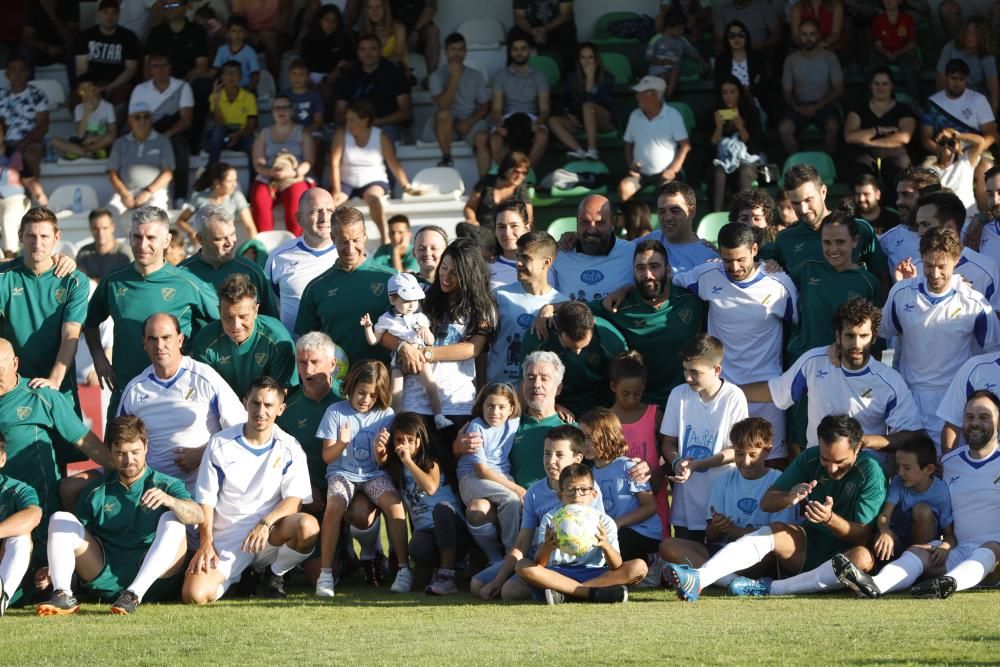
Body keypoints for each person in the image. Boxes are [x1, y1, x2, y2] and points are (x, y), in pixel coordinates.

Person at [665, 414, 886, 600]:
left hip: (846, 549)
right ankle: (699, 579)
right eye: (825, 459)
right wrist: (789, 497)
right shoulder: (809, 458)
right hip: (808, 543)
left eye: (840, 461)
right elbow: (767, 501)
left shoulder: (871, 471)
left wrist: (829, 519)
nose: (831, 467)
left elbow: (862, 535)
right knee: (777, 530)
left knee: (862, 559)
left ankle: (769, 589)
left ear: (857, 448)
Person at [835, 390, 1000, 600]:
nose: (975, 423)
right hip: (957, 549)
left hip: (995, 557)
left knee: (990, 548)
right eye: (969, 417)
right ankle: (874, 585)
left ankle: (951, 584)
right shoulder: (947, 463)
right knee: (916, 552)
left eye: (984, 417)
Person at [35, 416, 204, 616]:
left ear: (146, 447)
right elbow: (76, 541)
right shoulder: (96, 491)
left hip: (156, 582)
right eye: (121, 453)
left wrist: (170, 501)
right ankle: (63, 594)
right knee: (60, 519)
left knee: (173, 520)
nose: (129, 460)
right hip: (105, 576)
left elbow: (198, 516)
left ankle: (133, 594)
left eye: (135, 452)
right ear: (110, 453)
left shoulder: (166, 484)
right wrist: (54, 568)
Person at [183, 376, 320, 603]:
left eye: (268, 405)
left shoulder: (290, 447)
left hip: (268, 535)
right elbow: (205, 501)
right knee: (193, 595)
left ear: (281, 409)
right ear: (245, 402)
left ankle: (273, 575)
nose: (261, 411)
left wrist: (265, 523)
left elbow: (294, 500)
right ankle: (239, 577)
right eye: (255, 403)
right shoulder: (219, 442)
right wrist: (206, 543)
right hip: (228, 539)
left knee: (307, 526)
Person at [740, 297, 923, 460]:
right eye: (850, 336)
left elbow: (912, 435)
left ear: (874, 338)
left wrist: (864, 441)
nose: (857, 344)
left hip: (865, 472)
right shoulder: (814, 362)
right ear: (838, 336)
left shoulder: (889, 381)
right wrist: (727, 390)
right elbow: (775, 392)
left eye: (864, 336)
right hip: (817, 465)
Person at [673, 223, 796, 461]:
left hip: (767, 392)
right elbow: (670, 284)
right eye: (727, 260)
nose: (734, 267)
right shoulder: (706, 275)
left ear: (755, 249)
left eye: (740, 259)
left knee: (771, 463)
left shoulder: (780, 284)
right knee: (725, 463)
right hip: (723, 392)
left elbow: (799, 324)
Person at [84, 206, 220, 420]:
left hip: (176, 397)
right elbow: (90, 322)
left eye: (151, 238)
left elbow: (224, 324)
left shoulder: (188, 284)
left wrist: (202, 361)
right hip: (127, 393)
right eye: (137, 237)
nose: (142, 245)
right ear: (129, 237)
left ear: (166, 240)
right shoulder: (113, 280)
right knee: (116, 453)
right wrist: (99, 359)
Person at [881, 226, 1000, 452]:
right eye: (928, 265)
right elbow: (881, 332)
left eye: (941, 266)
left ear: (956, 260)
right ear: (921, 259)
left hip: (952, 403)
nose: (935, 274)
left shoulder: (974, 302)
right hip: (908, 399)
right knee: (907, 469)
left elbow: (992, 353)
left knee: (947, 468)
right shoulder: (901, 293)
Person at [0, 338, 114, 553]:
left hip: (35, 508)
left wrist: (119, 468)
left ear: (15, 363)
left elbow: (84, 440)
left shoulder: (41, 396)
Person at [390, 239, 497, 468]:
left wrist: (426, 354)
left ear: (469, 276)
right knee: (415, 469)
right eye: (444, 268)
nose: (445, 277)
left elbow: (472, 348)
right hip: (415, 400)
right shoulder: (423, 296)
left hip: (455, 401)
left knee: (451, 468)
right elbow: (386, 331)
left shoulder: (483, 307)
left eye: (455, 273)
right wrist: (403, 347)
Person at [659, 417, 797, 587]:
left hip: (758, 558)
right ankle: (733, 583)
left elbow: (778, 539)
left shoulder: (779, 480)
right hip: (722, 550)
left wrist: (733, 531)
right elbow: (710, 535)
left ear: (768, 451)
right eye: (739, 453)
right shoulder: (723, 480)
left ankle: (707, 576)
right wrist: (718, 526)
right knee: (668, 545)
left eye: (753, 454)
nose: (746, 461)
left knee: (765, 557)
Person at [117, 313, 246, 489]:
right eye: (153, 339)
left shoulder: (205, 377)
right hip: (152, 492)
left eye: (166, 338)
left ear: (180, 340)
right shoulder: (134, 389)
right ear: (144, 343)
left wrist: (204, 453)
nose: (159, 345)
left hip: (205, 490)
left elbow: (242, 430)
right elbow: (119, 443)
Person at [314, 360, 410, 596]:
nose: (366, 399)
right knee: (334, 506)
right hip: (341, 474)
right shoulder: (335, 412)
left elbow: (384, 461)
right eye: (361, 393)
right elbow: (327, 456)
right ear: (350, 387)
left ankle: (404, 570)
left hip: (373, 475)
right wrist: (342, 442)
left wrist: (381, 451)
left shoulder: (386, 415)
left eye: (372, 395)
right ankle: (325, 575)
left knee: (396, 506)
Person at [471, 424, 591, 601]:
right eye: (547, 453)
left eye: (559, 455)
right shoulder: (534, 492)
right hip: (537, 559)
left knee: (510, 591)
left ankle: (564, 591)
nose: (551, 461)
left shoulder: (588, 490)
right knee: (478, 584)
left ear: (577, 458)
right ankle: (555, 590)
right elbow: (521, 544)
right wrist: (497, 580)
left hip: (570, 562)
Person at [0, 209, 89, 422]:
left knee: (65, 454)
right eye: (31, 236)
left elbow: (71, 336)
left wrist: (54, 381)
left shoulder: (74, 280)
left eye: (44, 236)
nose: (37, 243)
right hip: (12, 390)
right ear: (21, 235)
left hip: (58, 388)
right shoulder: (4, 278)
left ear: (57, 237)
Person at [591, 240, 705, 406]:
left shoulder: (691, 300)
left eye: (654, 266)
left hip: (687, 401)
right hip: (641, 405)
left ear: (667, 270)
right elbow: (580, 311)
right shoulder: (620, 305)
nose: (648, 274)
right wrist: (550, 308)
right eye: (641, 268)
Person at [517, 461, 648, 605]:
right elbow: (540, 562)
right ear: (560, 496)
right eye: (570, 490)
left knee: (639, 566)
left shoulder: (604, 522)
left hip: (595, 573)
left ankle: (567, 594)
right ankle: (591, 593)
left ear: (593, 494)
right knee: (522, 566)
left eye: (583, 490)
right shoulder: (550, 519)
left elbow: (616, 566)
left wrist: (606, 546)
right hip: (558, 573)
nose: (577, 495)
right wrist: (547, 546)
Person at [660, 335, 747, 541]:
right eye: (685, 370)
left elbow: (738, 450)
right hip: (686, 504)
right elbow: (668, 443)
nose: (687, 377)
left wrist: (698, 464)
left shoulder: (734, 396)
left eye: (695, 372)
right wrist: (677, 461)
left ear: (717, 370)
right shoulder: (678, 394)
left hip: (722, 500)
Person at [380, 410, 467, 595]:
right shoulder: (396, 470)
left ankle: (447, 575)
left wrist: (409, 462)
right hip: (427, 532)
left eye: (410, 440)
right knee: (416, 547)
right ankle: (436, 569)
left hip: (453, 529)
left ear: (420, 440)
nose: (404, 445)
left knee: (442, 510)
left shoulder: (431, 462)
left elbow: (430, 488)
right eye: (398, 440)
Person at [295, 206, 394, 368]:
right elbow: (307, 342)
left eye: (356, 240)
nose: (350, 249)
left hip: (383, 379)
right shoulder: (316, 287)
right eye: (343, 241)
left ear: (365, 236)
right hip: (336, 384)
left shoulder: (391, 278)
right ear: (333, 238)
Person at [361, 272, 451, 428]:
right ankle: (396, 420)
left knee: (431, 384)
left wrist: (426, 332)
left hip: (420, 356)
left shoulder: (420, 317)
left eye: (415, 300)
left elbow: (430, 341)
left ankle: (438, 416)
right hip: (398, 359)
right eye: (406, 300)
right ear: (392, 299)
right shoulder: (386, 319)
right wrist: (368, 327)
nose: (412, 304)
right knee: (396, 391)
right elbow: (374, 340)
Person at [761, 164, 884, 276]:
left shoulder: (860, 229)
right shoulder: (785, 240)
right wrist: (769, 263)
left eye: (808, 200)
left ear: (823, 192)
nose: (803, 209)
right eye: (795, 203)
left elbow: (882, 278)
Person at [192, 273, 297, 399]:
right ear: (219, 310)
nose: (236, 325)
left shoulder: (278, 338)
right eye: (228, 317)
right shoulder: (204, 341)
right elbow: (204, 392)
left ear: (256, 310)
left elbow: (281, 393)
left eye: (243, 316)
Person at [329, 98, 419, 243]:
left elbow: (393, 163)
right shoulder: (341, 134)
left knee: (373, 198)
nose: (348, 124)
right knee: (331, 203)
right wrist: (337, 190)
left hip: (374, 180)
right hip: (347, 181)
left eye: (352, 120)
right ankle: (326, 240)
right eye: (347, 120)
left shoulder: (380, 136)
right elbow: (334, 163)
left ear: (365, 120)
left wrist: (405, 185)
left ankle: (384, 238)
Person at [582, 408, 662, 563]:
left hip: (644, 534)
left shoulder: (628, 466)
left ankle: (653, 561)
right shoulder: (589, 475)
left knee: (615, 543)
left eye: (589, 438)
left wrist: (617, 523)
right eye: (582, 438)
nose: (584, 444)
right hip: (615, 532)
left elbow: (650, 506)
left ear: (608, 437)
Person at [486, 231, 566, 385]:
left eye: (526, 258)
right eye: (518, 256)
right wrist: (482, 385)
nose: (518, 263)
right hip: (498, 392)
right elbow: (482, 347)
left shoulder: (562, 303)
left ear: (547, 262)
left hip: (537, 395)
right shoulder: (499, 296)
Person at [457, 383, 523, 567]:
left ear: (511, 409)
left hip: (499, 476)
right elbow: (482, 470)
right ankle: (509, 554)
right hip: (472, 478)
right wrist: (517, 488)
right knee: (511, 498)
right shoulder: (476, 427)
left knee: (519, 504)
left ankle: (513, 552)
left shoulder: (512, 423)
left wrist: (558, 406)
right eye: (490, 406)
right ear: (482, 406)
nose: (495, 412)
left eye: (502, 407)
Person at [522, 301, 627, 416]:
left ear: (593, 325)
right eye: (569, 347)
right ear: (557, 328)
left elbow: (626, 383)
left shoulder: (610, 338)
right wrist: (552, 407)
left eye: (584, 346)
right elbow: (526, 386)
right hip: (556, 409)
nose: (577, 352)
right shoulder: (539, 337)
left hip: (603, 408)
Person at [922, 59, 998, 211]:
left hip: (975, 148)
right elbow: (925, 138)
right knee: (924, 172)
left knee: (986, 167)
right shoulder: (933, 102)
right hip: (941, 150)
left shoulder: (978, 100)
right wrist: (941, 151)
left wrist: (974, 152)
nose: (957, 83)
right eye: (953, 78)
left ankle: (986, 216)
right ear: (945, 77)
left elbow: (991, 134)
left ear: (967, 79)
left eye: (961, 79)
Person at [906, 190, 1000, 313]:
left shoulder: (986, 268)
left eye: (925, 224)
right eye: (918, 225)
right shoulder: (912, 269)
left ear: (949, 226)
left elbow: (995, 320)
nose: (919, 232)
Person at [277, 332, 343, 502]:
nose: (308, 370)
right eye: (302, 362)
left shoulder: (350, 398)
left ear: (332, 364)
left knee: (360, 513)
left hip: (349, 487)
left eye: (315, 362)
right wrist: (303, 487)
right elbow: (280, 458)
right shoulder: (287, 409)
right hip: (304, 493)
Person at [178, 205, 277, 318]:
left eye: (232, 234)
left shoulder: (253, 271)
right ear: (200, 239)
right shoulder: (181, 275)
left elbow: (271, 321)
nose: (230, 242)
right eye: (220, 238)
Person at [868, 436, 954, 565]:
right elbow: (885, 515)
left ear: (929, 469)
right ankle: (880, 569)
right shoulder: (898, 482)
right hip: (898, 543)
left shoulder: (941, 491)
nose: (900, 473)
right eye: (898, 467)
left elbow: (950, 535)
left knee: (922, 510)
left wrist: (944, 548)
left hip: (922, 548)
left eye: (907, 468)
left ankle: (919, 568)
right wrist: (885, 531)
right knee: (879, 536)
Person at [265, 188, 339, 333]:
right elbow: (269, 309)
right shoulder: (278, 258)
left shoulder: (353, 254)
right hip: (296, 352)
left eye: (330, 210)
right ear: (299, 218)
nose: (325, 218)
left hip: (343, 352)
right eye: (315, 211)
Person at [129, 52, 194, 201]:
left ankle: (180, 196)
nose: (160, 69)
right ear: (150, 69)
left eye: (164, 65)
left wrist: (167, 135)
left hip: (173, 130)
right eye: (155, 66)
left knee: (180, 146)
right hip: (146, 129)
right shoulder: (140, 89)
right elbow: (132, 118)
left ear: (170, 67)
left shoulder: (183, 87)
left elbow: (186, 119)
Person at [250, 95, 315, 236]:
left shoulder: (302, 132)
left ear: (291, 110)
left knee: (296, 200)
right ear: (272, 111)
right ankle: (265, 246)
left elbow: (309, 161)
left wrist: (293, 173)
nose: (281, 111)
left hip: (294, 177)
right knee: (259, 198)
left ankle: (295, 244)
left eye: (285, 107)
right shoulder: (264, 134)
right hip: (269, 176)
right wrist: (271, 173)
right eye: (277, 108)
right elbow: (258, 162)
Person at [618, 76, 691, 203]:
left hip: (665, 173)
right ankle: (629, 220)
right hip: (640, 175)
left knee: (669, 193)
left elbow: (685, 145)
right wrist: (631, 165)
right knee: (624, 188)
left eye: (641, 93)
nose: (637, 96)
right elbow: (628, 144)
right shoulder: (634, 115)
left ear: (655, 95)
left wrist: (673, 169)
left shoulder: (673, 115)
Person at [425, 32, 490, 173]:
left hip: (469, 121)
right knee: (444, 115)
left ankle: (484, 186)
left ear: (465, 52)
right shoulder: (436, 76)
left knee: (483, 138)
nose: (457, 53)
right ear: (446, 51)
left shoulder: (475, 75)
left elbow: (485, 106)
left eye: (460, 49)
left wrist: (470, 122)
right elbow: (443, 106)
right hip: (445, 126)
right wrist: (454, 78)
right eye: (453, 49)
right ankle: (446, 158)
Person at [843, 67, 916, 193]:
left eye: (885, 84)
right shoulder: (858, 109)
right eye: (876, 83)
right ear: (870, 86)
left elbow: (904, 137)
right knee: (860, 170)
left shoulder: (904, 109)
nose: (880, 87)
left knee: (901, 172)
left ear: (892, 86)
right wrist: (878, 130)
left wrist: (870, 142)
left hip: (895, 155)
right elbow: (850, 136)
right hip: (865, 155)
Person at [779, 19, 844, 156]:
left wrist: (817, 107)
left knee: (833, 127)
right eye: (804, 34)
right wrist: (798, 108)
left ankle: (827, 167)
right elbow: (786, 91)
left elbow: (839, 89)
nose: (808, 38)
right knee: (784, 129)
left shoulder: (829, 57)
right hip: (799, 106)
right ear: (799, 37)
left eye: (812, 34)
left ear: (818, 36)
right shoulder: (791, 60)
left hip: (825, 105)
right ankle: (798, 169)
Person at [550, 195, 634, 302]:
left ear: (613, 222)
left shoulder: (632, 253)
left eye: (600, 223)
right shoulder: (559, 254)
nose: (591, 230)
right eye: (584, 222)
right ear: (577, 221)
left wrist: (628, 289)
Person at [333, 33, 412, 145]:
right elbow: (339, 111)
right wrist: (356, 123)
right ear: (358, 52)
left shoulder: (395, 73)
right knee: (339, 136)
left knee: (385, 139)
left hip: (386, 125)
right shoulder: (349, 75)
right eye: (363, 49)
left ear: (380, 51)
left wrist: (377, 122)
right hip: (355, 125)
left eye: (372, 49)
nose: (368, 53)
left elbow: (405, 112)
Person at [106, 101, 175, 220]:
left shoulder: (163, 141)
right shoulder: (120, 143)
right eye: (137, 117)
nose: (142, 121)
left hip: (155, 192)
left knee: (153, 218)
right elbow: (112, 173)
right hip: (125, 192)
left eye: (146, 117)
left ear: (151, 120)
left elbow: (168, 173)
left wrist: (148, 192)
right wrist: (124, 194)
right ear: (130, 121)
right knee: (107, 216)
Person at [547, 43, 616, 162]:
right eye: (583, 57)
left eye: (590, 57)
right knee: (553, 121)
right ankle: (579, 151)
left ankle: (592, 150)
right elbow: (566, 101)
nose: (587, 61)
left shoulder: (607, 77)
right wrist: (568, 115)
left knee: (588, 106)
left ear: (596, 59)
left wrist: (590, 79)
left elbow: (596, 101)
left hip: (603, 119)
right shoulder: (572, 78)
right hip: (581, 121)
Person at [489, 36, 551, 168]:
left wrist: (538, 123)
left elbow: (545, 110)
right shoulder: (500, 76)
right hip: (508, 118)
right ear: (510, 52)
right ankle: (506, 176)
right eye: (515, 49)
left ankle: (526, 175)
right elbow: (496, 110)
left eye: (523, 49)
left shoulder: (539, 76)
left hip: (531, 117)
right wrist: (499, 125)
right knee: (495, 140)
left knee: (542, 136)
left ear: (529, 51)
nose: (519, 53)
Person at [0, 430, 41, 614]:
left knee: (22, 538)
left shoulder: (17, 489)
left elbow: (33, 515)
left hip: (8, 576)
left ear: (2, 459)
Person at [710, 75, 764, 212]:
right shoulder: (713, 114)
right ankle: (715, 218)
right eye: (724, 93)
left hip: (747, 162)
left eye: (732, 92)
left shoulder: (752, 112)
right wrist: (718, 128)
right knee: (718, 172)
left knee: (744, 170)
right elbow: (709, 150)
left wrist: (741, 128)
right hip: (721, 163)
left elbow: (755, 148)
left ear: (739, 94)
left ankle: (745, 216)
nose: (728, 97)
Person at [74, 0, 141, 107]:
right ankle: (87, 124)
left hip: (119, 83)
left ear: (119, 15)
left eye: (113, 13)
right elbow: (81, 71)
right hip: (92, 84)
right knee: (77, 99)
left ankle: (113, 124)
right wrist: (92, 89)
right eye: (105, 12)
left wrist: (111, 87)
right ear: (99, 14)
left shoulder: (129, 37)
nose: (109, 16)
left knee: (121, 101)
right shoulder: (85, 36)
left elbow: (130, 70)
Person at [177, 163, 257, 246]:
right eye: (230, 181)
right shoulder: (199, 198)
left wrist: (256, 247)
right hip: (202, 247)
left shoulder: (237, 197)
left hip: (226, 247)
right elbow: (180, 220)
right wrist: (191, 231)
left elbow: (249, 227)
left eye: (235, 180)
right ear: (217, 182)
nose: (235, 184)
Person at [935, 16, 999, 115]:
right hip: (950, 94)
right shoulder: (950, 47)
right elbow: (940, 79)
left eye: (975, 33)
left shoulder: (987, 56)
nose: (969, 36)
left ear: (983, 36)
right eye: (967, 32)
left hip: (975, 98)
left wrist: (993, 116)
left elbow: (993, 89)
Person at [0, 56, 49, 185]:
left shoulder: (37, 94)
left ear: (28, 73)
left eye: (21, 70)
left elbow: (43, 126)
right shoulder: (1, 96)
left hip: (31, 141)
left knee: (31, 155)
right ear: (7, 74)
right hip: (4, 143)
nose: (17, 74)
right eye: (13, 70)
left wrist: (22, 144)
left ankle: (32, 196)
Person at [0, 121, 47, 254]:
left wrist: (39, 193)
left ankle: (11, 256)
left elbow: (29, 179)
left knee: (8, 217)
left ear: (4, 135)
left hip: (14, 199)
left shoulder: (15, 155)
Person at [299, 4, 354, 110]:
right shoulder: (309, 39)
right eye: (327, 20)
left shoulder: (344, 40)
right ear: (320, 21)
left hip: (334, 77)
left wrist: (335, 74)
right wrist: (310, 81)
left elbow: (349, 61)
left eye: (334, 21)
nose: (330, 24)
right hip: (311, 78)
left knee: (328, 90)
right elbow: (304, 62)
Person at [50, 75, 117, 162]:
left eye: (90, 89)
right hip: (82, 142)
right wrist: (86, 113)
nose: (87, 93)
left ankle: (83, 152)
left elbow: (113, 133)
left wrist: (94, 139)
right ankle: (88, 153)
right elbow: (80, 135)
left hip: (99, 142)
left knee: (109, 138)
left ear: (96, 89)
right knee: (54, 141)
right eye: (83, 91)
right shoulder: (79, 108)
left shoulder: (107, 107)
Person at [206, 61, 258, 168]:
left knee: (253, 145)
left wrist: (238, 135)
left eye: (234, 73)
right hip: (221, 134)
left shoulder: (249, 97)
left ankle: (255, 181)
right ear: (222, 77)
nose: (231, 76)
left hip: (241, 134)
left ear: (240, 76)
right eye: (227, 73)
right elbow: (218, 122)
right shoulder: (214, 96)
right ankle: (211, 172)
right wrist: (216, 100)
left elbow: (251, 126)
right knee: (218, 130)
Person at [647, 8, 708, 99]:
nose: (682, 31)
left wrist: (704, 63)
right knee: (662, 74)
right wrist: (662, 62)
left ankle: (668, 97)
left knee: (675, 70)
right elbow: (648, 57)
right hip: (658, 67)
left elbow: (694, 53)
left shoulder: (682, 40)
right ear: (669, 27)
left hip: (673, 68)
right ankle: (660, 99)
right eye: (680, 28)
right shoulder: (656, 39)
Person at [463, 151, 533, 229]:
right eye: (516, 171)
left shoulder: (521, 189)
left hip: (509, 233)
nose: (520, 176)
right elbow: (470, 207)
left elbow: (528, 218)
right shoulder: (487, 181)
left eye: (524, 173)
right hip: (483, 229)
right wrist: (472, 220)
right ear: (506, 168)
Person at [510, 0, 577, 73]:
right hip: (531, 28)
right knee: (514, 33)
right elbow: (519, 16)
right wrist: (532, 31)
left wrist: (545, 29)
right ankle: (512, 73)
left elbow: (565, 15)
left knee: (567, 31)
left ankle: (569, 75)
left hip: (556, 27)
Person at [871, 0, 920, 100]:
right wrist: (887, 53)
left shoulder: (908, 18)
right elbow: (878, 44)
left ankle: (916, 103)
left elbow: (912, 44)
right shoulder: (878, 20)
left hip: (903, 52)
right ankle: (872, 101)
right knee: (875, 67)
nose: (888, 1)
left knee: (910, 68)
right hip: (884, 52)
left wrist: (898, 52)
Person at [714, 20, 765, 108]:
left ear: (746, 37)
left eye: (741, 35)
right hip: (729, 104)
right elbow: (719, 86)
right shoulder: (721, 60)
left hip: (753, 103)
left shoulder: (757, 58)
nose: (736, 39)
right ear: (727, 39)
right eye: (732, 36)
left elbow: (762, 84)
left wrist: (749, 92)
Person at [210, 15, 260, 91]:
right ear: (228, 33)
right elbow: (214, 71)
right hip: (225, 89)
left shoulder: (250, 52)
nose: (237, 34)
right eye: (234, 31)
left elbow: (255, 76)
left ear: (246, 33)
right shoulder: (222, 50)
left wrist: (246, 91)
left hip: (244, 88)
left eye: (240, 31)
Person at [712, 0, 782, 54]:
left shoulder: (763, 5)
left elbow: (776, 34)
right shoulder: (722, 10)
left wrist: (763, 44)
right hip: (733, 53)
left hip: (759, 51)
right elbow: (719, 40)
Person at [390, 0, 440, 74]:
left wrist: (416, 30)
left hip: (419, 29)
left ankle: (432, 78)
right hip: (396, 29)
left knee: (432, 31)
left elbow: (431, 7)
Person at [362, 0, 408, 68]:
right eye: (370, 7)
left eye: (378, 7)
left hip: (397, 70)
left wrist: (375, 63)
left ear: (385, 9)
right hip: (375, 72)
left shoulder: (398, 27)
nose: (374, 11)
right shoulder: (364, 31)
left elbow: (399, 56)